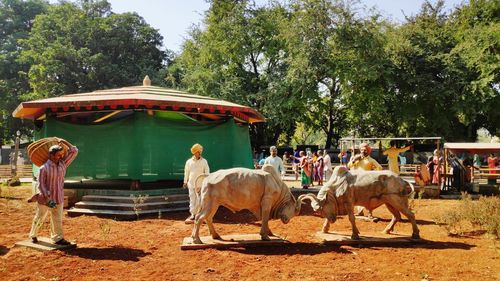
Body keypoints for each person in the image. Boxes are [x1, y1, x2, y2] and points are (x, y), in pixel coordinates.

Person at [29, 140, 78, 245]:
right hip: (45, 199)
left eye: (61, 154)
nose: (60, 157)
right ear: (51, 155)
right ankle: (33, 235)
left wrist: (64, 142)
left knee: (57, 218)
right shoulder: (44, 168)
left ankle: (58, 238)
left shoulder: (63, 164)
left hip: (58, 197)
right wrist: (47, 197)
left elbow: (74, 151)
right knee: (40, 217)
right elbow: (41, 184)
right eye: (57, 155)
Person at [347, 143, 382, 218]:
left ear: (368, 151)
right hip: (356, 182)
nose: (363, 152)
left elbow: (379, 167)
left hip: (367, 182)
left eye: (365, 150)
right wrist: (353, 161)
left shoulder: (371, 160)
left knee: (369, 198)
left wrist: (372, 173)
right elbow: (349, 166)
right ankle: (360, 212)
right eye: (362, 150)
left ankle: (370, 213)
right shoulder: (356, 159)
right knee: (357, 197)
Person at [183, 143, 210, 224]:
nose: (199, 153)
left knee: (201, 200)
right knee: (192, 199)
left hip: (201, 185)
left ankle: (200, 215)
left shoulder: (204, 161)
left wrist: (207, 181)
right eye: (197, 151)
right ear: (194, 152)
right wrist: (185, 181)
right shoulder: (189, 162)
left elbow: (207, 172)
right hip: (191, 184)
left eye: (200, 151)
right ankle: (193, 215)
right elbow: (186, 172)